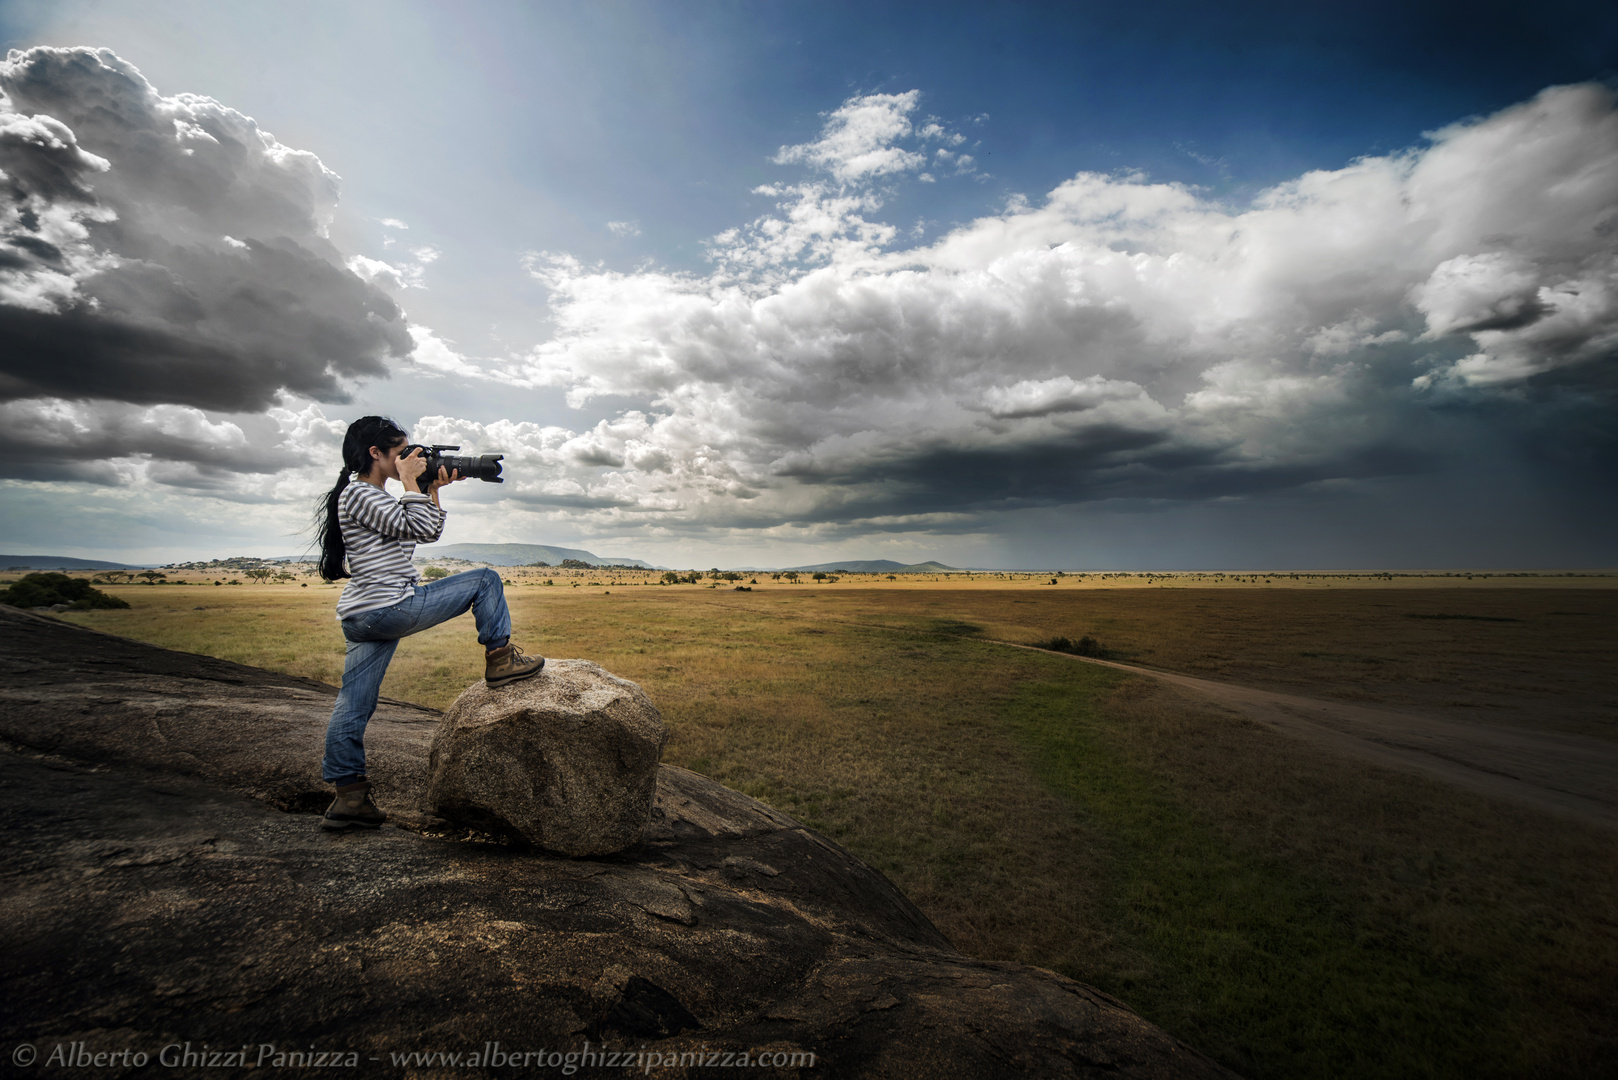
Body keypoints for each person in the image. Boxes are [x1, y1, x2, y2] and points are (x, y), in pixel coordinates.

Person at [314, 415, 544, 830]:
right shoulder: (362, 495)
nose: (410, 457)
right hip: (388, 607)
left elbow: (427, 531)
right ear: (375, 454)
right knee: (486, 580)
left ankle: (349, 798)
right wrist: (409, 484)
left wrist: (431, 490)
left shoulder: (370, 497)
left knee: (354, 703)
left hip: (364, 615)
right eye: (400, 451)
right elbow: (418, 526)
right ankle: (500, 659)